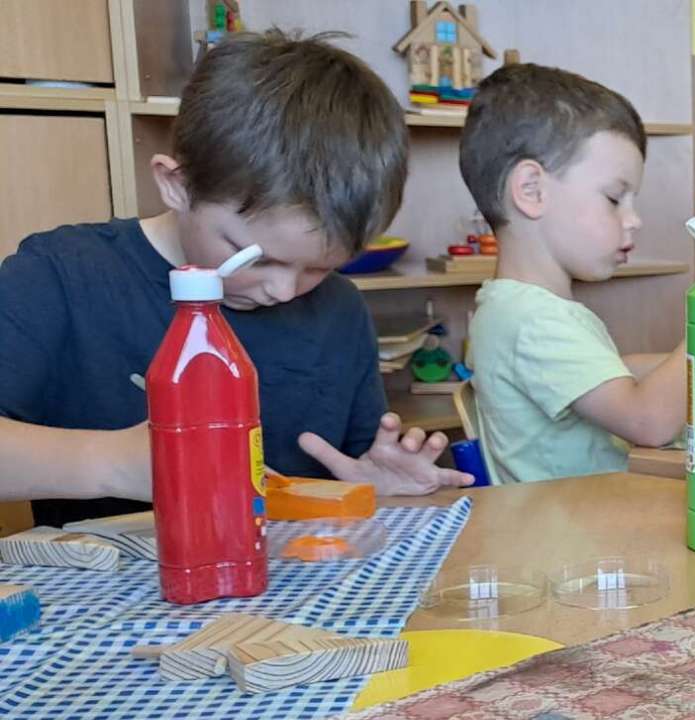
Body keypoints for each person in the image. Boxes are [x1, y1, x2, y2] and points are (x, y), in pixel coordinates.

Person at [0, 31, 470, 526]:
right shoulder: (61, 276)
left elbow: (351, 474)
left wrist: (377, 491)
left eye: (319, 267)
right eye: (256, 259)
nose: (283, 290)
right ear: (177, 185)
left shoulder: (340, 309)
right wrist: (118, 463)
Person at [460, 64, 688, 484]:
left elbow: (610, 372)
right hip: (577, 521)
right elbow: (649, 423)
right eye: (614, 198)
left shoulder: (511, 305)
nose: (634, 220)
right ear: (531, 190)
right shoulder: (535, 321)